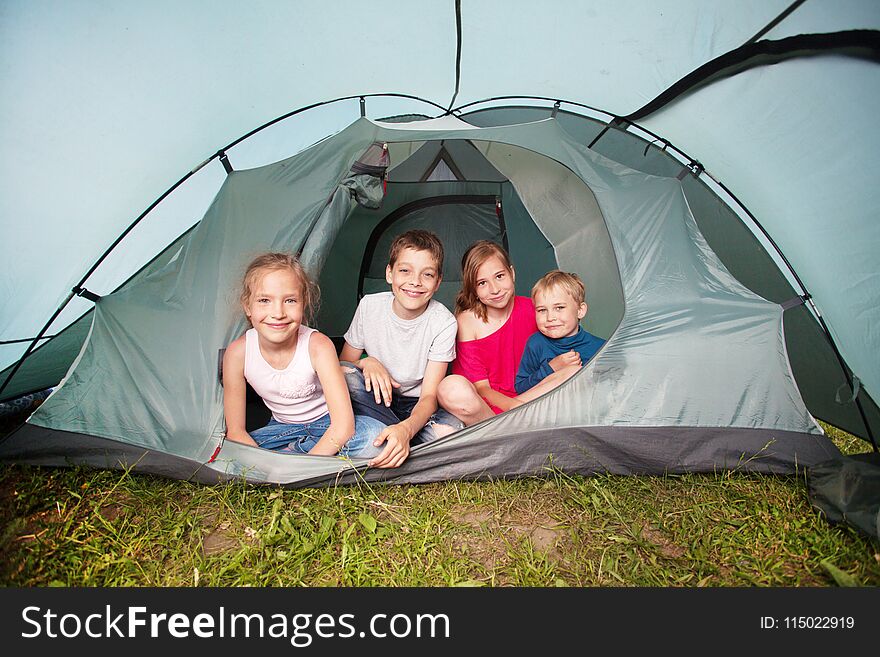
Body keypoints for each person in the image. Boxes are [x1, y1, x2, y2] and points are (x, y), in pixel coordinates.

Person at [222, 252, 385, 458]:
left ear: (303, 302)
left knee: (375, 438)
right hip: (282, 429)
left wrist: (302, 467)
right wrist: (261, 462)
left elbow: (343, 426)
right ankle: (299, 448)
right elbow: (236, 431)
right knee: (230, 449)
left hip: (328, 422)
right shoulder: (237, 353)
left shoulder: (318, 346)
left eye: (290, 300)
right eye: (264, 300)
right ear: (248, 306)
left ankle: (295, 453)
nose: (278, 313)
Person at [339, 229, 464, 469]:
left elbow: (429, 397)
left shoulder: (444, 322)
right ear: (389, 273)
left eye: (427, 275)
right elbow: (343, 363)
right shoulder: (369, 306)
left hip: (417, 406)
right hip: (375, 398)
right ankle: (401, 439)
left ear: (438, 282)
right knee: (346, 377)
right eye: (405, 271)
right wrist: (367, 362)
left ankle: (396, 436)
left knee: (449, 434)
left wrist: (407, 428)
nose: (415, 281)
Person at [437, 241, 580, 427]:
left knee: (574, 371)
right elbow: (482, 388)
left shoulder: (534, 308)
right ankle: (502, 428)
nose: (495, 289)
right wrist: (514, 408)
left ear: (511, 273)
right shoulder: (467, 321)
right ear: (473, 288)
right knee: (449, 388)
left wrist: (556, 367)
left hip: (531, 397)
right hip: (488, 409)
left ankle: (512, 428)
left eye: (499, 276)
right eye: (482, 283)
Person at [515, 270, 605, 395]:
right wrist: (550, 368)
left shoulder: (602, 348)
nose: (550, 317)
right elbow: (520, 388)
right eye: (542, 310)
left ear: (580, 310)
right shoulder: (536, 343)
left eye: (559, 308)